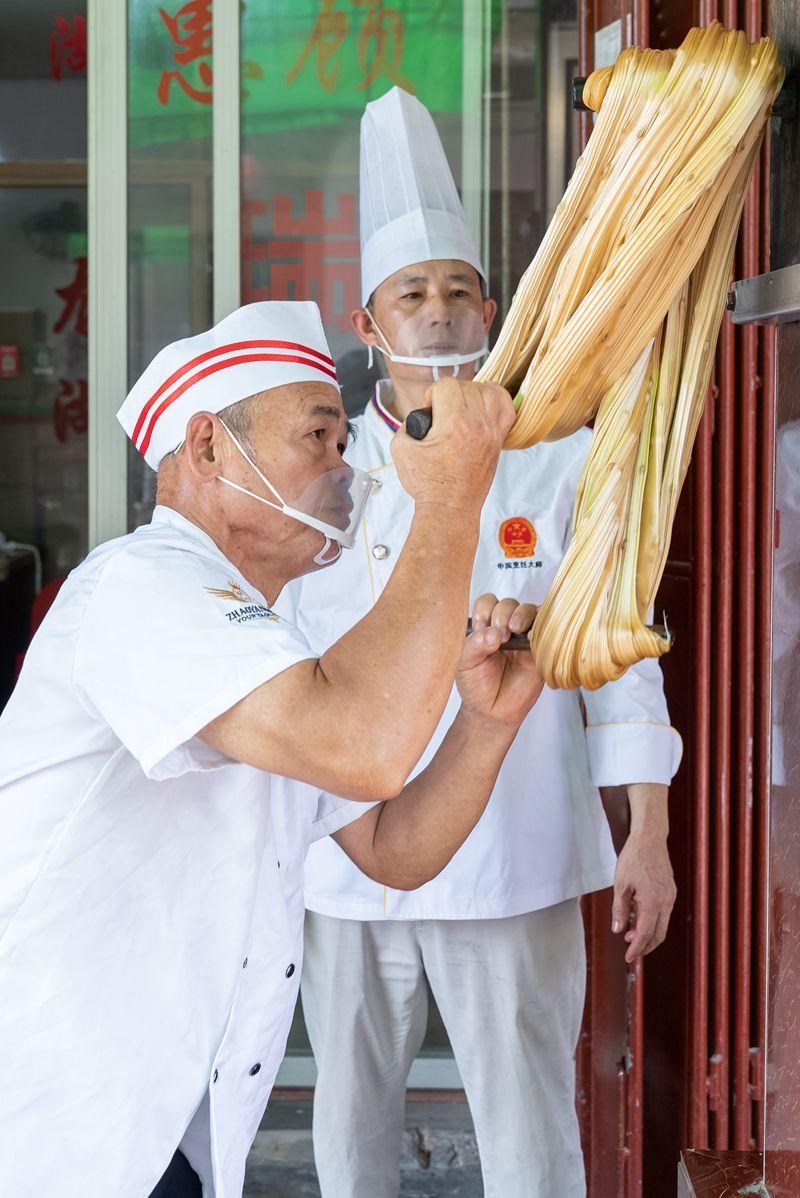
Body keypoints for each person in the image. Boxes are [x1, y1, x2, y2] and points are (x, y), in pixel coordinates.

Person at [0, 299, 544, 1198]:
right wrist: (451, 497)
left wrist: (485, 726)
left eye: (342, 441)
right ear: (210, 448)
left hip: (165, 1134)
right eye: (319, 438)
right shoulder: (143, 588)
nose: (345, 467)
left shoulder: (268, 641)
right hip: (58, 1131)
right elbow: (366, 746)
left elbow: (393, 848)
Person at [280, 88, 682, 1198]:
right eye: (412, 295)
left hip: (514, 849)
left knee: (528, 1132)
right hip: (344, 862)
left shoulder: (558, 461)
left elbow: (619, 648)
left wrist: (643, 833)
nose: (440, 311)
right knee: (346, 1133)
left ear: (492, 308)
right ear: (370, 327)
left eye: (459, 291)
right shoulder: (325, 482)